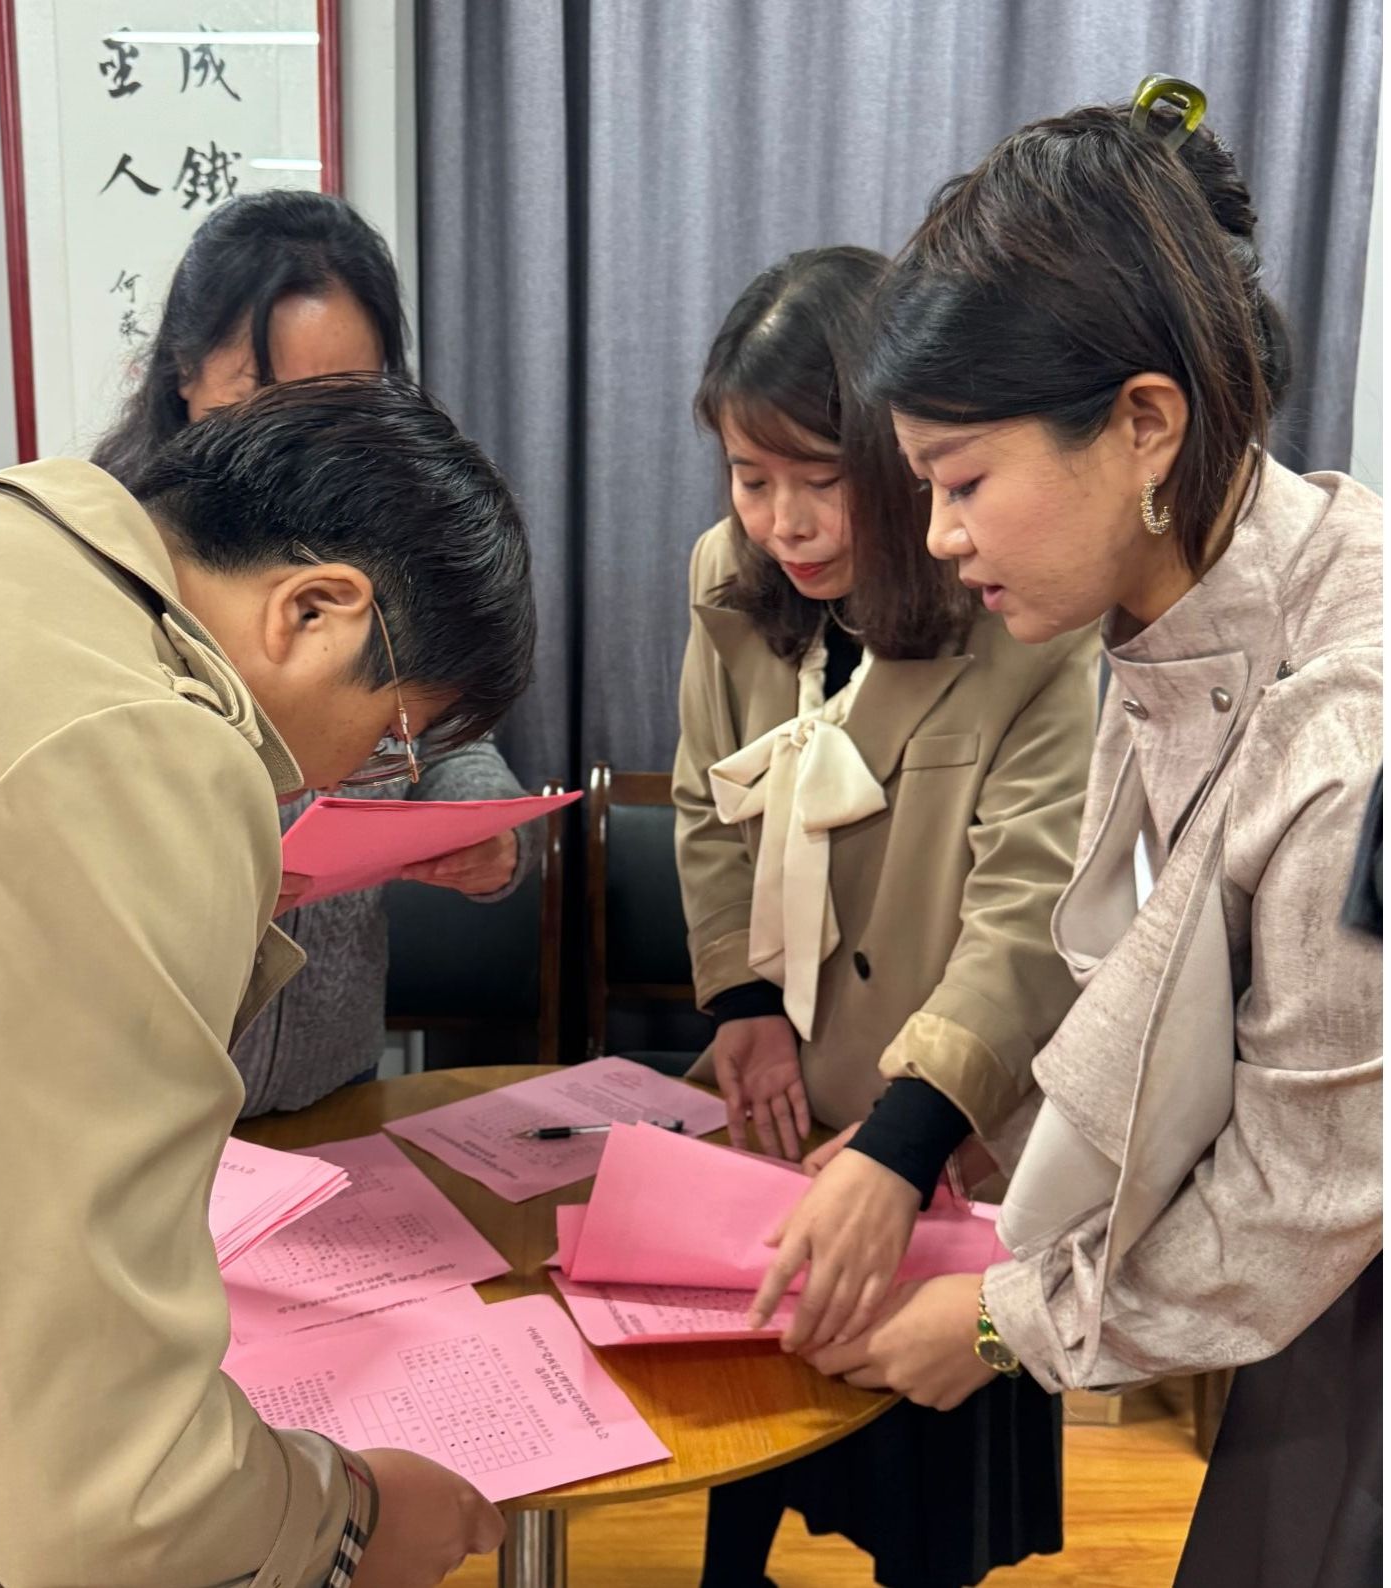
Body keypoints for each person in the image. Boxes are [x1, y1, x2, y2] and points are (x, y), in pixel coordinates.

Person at [759, 83, 1382, 1588]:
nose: (940, 536)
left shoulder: (1348, 734)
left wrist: (1000, 1324)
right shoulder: (1170, 608)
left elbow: (1307, 1188)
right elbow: (1154, 976)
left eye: (964, 482)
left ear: (1142, 424)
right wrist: (975, 1146)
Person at [0, 373, 534, 1587]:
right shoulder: (135, 749)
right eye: (391, 740)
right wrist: (352, 1523)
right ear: (314, 610)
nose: (357, 778)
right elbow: (101, 1490)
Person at [673, 246, 1098, 1588]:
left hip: (944, 1119)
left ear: (901, 460)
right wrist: (743, 1007)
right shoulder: (727, 581)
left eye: (819, 478)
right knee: (747, 1430)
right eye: (750, 479)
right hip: (782, 1096)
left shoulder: (1017, 611)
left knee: (920, 1480)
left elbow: (1030, 912)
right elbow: (702, 804)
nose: (783, 524)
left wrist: (911, 1138)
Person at [93, 188, 540, 1114]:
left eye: (344, 402)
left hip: (333, 1070)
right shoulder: (103, 555)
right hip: (149, 1097)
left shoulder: (397, 537)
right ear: (183, 371)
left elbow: (433, 728)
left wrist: (482, 823)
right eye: (262, 398)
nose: (303, 442)